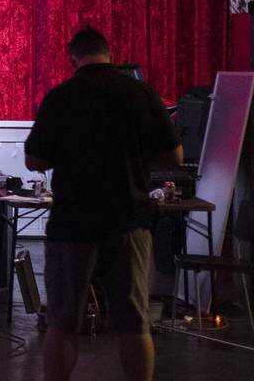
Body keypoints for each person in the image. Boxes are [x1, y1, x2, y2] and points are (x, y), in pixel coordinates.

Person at [24, 27, 183, 381]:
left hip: (72, 224)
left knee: (62, 323)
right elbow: (174, 155)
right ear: (111, 55)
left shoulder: (60, 96)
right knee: (134, 323)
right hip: (129, 221)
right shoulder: (141, 93)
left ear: (73, 58)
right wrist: (134, 156)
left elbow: (34, 159)